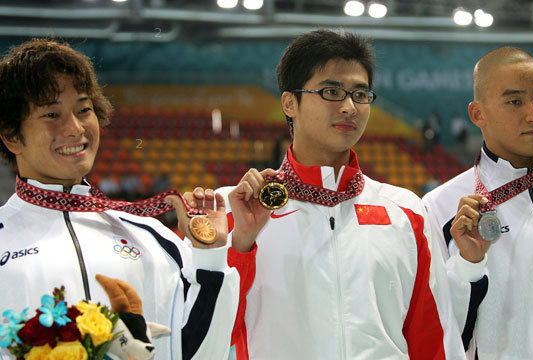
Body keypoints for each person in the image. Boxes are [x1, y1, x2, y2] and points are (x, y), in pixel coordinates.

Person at [212, 29, 466, 359]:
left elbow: (432, 338)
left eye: (360, 94)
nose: (349, 107)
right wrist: (241, 246)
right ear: (290, 103)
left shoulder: (406, 212)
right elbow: (212, 335)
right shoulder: (236, 212)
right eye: (331, 91)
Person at [0, 39, 239, 360]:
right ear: (12, 135)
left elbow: (202, 354)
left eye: (83, 110)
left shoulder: (152, 238)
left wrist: (210, 258)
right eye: (52, 114)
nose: (74, 128)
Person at [422, 47, 533, 359]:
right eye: (515, 102)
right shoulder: (440, 207)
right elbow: (440, 330)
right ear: (477, 114)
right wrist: (467, 266)